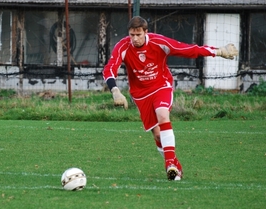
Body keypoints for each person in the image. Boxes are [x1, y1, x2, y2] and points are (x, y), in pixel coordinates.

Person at [102, 16, 238, 181]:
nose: (135, 39)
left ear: (146, 32)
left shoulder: (159, 42)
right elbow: (110, 68)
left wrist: (219, 51)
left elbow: (187, 49)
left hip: (161, 86)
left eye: (138, 34)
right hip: (140, 94)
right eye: (132, 35)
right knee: (158, 136)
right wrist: (115, 91)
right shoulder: (122, 46)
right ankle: (176, 167)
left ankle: (169, 165)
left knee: (162, 114)